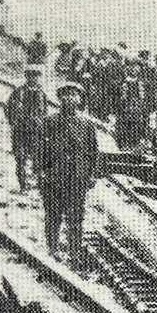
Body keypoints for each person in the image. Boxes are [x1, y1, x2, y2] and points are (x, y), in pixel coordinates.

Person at [34, 80, 100, 270]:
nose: (70, 99)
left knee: (76, 218)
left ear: (79, 99)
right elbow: (39, 149)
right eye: (66, 95)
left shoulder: (87, 124)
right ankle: (52, 249)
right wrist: (40, 172)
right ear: (60, 98)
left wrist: (92, 175)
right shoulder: (49, 122)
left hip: (77, 178)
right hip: (53, 178)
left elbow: (93, 152)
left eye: (74, 95)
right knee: (53, 215)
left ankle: (74, 253)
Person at [5, 64, 49, 191]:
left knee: (38, 159)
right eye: (31, 76)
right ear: (26, 77)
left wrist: (41, 125)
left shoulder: (42, 94)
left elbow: (45, 112)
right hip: (20, 132)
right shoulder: (19, 92)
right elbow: (8, 108)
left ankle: (39, 184)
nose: (34, 79)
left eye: (36, 76)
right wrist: (13, 122)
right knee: (21, 158)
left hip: (36, 132)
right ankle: (23, 185)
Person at [113, 61, 150, 151]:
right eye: (131, 66)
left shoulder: (141, 82)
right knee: (126, 125)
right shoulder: (124, 82)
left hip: (136, 108)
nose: (134, 69)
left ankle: (134, 144)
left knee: (136, 126)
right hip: (127, 108)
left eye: (136, 67)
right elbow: (121, 97)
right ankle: (125, 145)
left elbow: (144, 97)